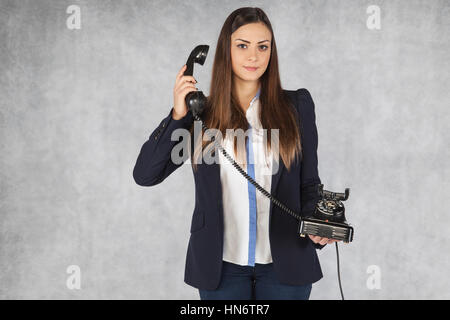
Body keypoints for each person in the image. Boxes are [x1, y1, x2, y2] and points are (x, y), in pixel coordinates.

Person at [133, 7, 340, 300]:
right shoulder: (200, 114)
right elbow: (145, 174)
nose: (253, 56)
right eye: (242, 45)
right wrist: (178, 115)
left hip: (286, 263)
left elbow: (309, 183)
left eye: (262, 46)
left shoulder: (297, 106)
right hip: (220, 267)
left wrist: (317, 226)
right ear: (225, 51)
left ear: (272, 52)